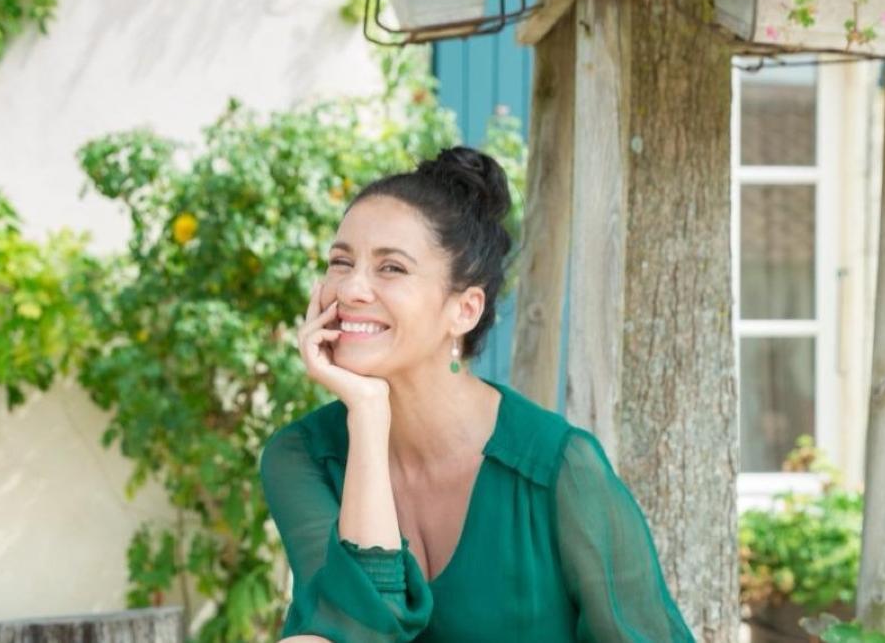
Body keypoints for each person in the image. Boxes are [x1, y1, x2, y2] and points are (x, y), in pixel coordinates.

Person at [259, 147, 695, 642]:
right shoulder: (302, 457)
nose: (352, 288)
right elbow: (355, 631)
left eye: (391, 268)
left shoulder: (560, 471)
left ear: (464, 310)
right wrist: (367, 413)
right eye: (341, 262)